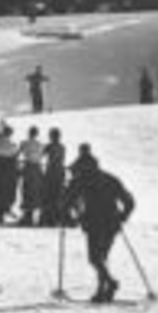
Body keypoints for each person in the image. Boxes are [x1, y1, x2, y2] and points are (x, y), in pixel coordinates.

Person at [60, 157, 135, 302]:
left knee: (94, 258)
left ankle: (110, 283)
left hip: (94, 223)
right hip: (112, 223)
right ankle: (102, 290)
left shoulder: (82, 180)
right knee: (102, 257)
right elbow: (129, 201)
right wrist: (123, 216)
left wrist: (67, 216)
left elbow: (67, 201)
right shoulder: (111, 179)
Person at [17, 127, 44, 226]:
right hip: (37, 168)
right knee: (35, 191)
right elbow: (41, 155)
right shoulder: (40, 144)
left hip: (28, 167)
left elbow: (18, 153)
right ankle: (31, 215)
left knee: (27, 190)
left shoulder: (24, 143)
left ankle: (27, 216)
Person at [41, 130, 67, 227]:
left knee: (48, 195)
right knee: (57, 195)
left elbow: (41, 155)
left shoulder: (49, 146)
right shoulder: (62, 147)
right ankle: (57, 217)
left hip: (51, 171)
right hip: (60, 172)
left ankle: (47, 217)